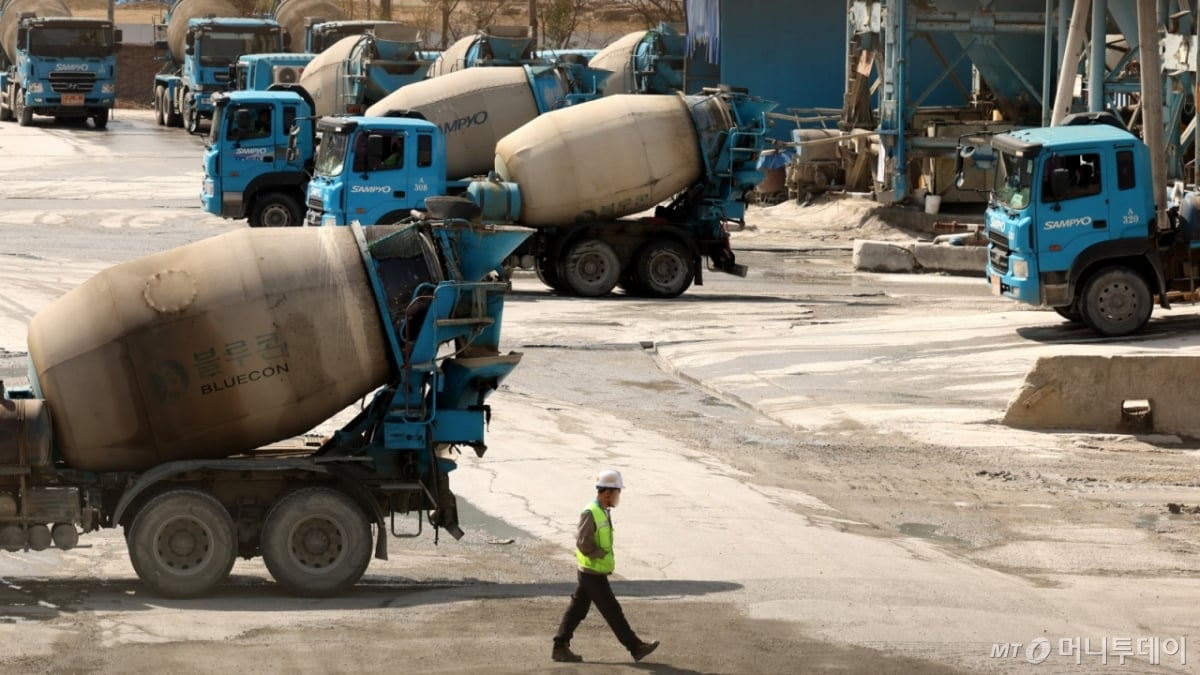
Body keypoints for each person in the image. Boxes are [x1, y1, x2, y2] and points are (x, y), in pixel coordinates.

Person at [552, 469, 659, 663]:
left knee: (577, 610)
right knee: (612, 610)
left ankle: (560, 647)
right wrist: (599, 554)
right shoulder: (591, 512)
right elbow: (583, 543)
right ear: (607, 493)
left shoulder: (602, 511)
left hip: (592, 571)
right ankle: (635, 647)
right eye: (618, 491)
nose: (619, 496)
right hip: (592, 572)